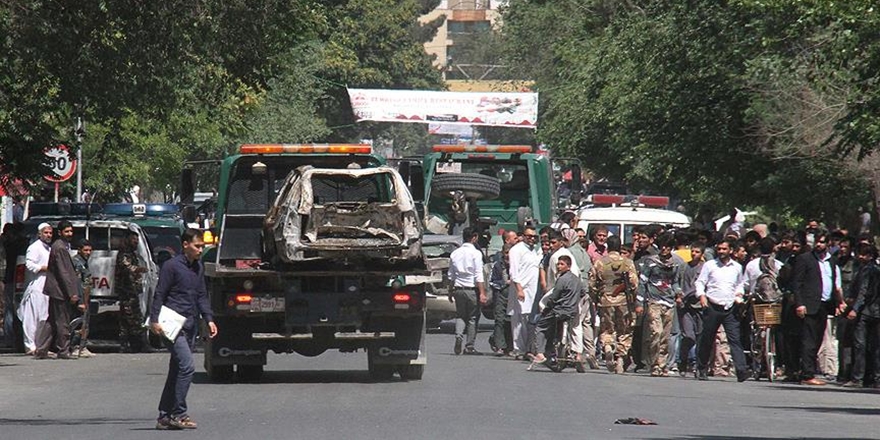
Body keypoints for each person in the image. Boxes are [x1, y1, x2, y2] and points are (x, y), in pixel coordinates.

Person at [150, 229, 217, 430]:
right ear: (186, 244)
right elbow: (159, 294)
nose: (200, 250)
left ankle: (164, 415)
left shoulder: (198, 267)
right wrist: (154, 320)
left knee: (176, 370)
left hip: (190, 324)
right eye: (197, 246)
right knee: (187, 366)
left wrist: (209, 319)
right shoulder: (171, 266)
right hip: (171, 324)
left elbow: (201, 295)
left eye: (202, 247)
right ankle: (179, 413)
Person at [792, 231, 846, 386]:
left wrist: (838, 303)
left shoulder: (832, 262)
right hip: (809, 304)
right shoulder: (805, 259)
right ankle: (807, 374)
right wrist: (800, 304)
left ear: (828, 244)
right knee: (808, 339)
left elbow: (836, 284)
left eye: (822, 242)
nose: (819, 245)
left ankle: (808, 370)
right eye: (817, 242)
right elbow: (797, 283)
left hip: (824, 305)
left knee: (817, 339)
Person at [694, 239, 750, 382]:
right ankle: (701, 368)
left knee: (734, 339)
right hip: (712, 305)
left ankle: (741, 370)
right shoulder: (710, 265)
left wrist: (739, 294)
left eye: (724, 249)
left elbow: (739, 284)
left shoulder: (737, 267)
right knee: (707, 338)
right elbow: (700, 282)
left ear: (731, 250)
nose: (721, 252)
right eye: (719, 249)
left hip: (729, 307)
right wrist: (701, 296)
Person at [636, 233, 685, 377]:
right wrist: (639, 302)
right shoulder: (650, 262)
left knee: (665, 336)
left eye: (668, 247)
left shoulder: (675, 264)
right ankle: (653, 362)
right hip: (653, 302)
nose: (664, 249)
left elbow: (675, 282)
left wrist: (678, 293)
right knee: (655, 332)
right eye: (662, 246)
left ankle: (661, 364)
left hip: (669, 303)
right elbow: (643, 282)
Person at [589, 235, 639, 374]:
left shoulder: (600, 262)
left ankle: (608, 347)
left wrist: (596, 298)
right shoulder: (628, 262)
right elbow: (634, 283)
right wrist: (632, 298)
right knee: (625, 331)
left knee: (607, 329)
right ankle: (621, 359)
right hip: (624, 301)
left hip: (606, 300)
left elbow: (592, 283)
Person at [34, 220, 79, 360]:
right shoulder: (59, 247)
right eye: (66, 231)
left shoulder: (61, 246)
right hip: (60, 291)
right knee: (62, 321)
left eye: (71, 231)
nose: (69, 234)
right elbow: (63, 272)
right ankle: (63, 350)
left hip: (57, 290)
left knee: (52, 321)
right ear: (60, 233)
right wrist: (72, 292)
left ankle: (41, 350)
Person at [532, 256, 583, 366]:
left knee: (540, 325)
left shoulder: (562, 279)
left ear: (568, 266)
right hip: (572, 311)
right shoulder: (577, 279)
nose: (559, 267)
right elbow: (582, 292)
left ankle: (540, 353)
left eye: (562, 264)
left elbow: (554, 297)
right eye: (558, 264)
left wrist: (546, 309)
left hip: (559, 310)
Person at [842, 242, 880, 387]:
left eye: (863, 254)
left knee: (860, 345)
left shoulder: (866, 270)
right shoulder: (875, 269)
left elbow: (863, 292)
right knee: (876, 347)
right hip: (875, 312)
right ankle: (876, 378)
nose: (860, 256)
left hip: (866, 312)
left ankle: (858, 377)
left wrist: (855, 309)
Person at [447, 228, 487, 355]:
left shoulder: (455, 253)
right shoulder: (476, 253)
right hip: (471, 289)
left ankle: (459, 335)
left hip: (458, 288)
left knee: (460, 315)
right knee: (472, 318)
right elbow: (478, 275)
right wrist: (482, 293)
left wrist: (450, 291)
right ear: (474, 237)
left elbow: (451, 275)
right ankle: (469, 345)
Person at [17, 223, 52, 355]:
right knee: (31, 318)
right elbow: (30, 265)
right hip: (36, 286)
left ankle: (40, 346)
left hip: (46, 286)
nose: (48, 235)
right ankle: (30, 346)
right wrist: (45, 268)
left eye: (50, 233)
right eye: (46, 233)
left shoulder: (48, 249)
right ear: (39, 234)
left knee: (43, 317)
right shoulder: (34, 247)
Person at [508, 226, 541, 359]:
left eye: (534, 236)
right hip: (521, 290)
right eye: (529, 236)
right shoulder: (516, 250)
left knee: (529, 320)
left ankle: (528, 349)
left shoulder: (535, 251)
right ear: (523, 236)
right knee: (518, 320)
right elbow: (514, 271)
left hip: (533, 291)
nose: (532, 239)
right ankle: (518, 349)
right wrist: (519, 289)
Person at [117, 229, 149, 352]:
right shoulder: (124, 254)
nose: (136, 242)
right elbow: (127, 267)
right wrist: (138, 269)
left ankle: (127, 345)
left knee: (127, 320)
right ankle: (137, 345)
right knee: (133, 320)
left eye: (137, 240)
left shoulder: (132, 253)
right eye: (133, 239)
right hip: (127, 292)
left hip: (132, 292)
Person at [677, 241, 706, 375]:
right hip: (686, 306)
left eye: (697, 252)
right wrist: (678, 295)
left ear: (702, 254)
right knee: (689, 336)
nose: (694, 254)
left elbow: (699, 287)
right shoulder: (683, 266)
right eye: (692, 251)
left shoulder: (704, 268)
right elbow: (677, 281)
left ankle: (698, 365)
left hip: (699, 305)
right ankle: (683, 361)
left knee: (700, 336)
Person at [71, 239, 94, 358]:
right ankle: (75, 347)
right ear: (79, 250)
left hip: (86, 297)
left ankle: (82, 346)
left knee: (85, 323)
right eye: (85, 250)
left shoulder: (84, 262)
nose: (88, 252)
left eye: (90, 250)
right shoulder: (76, 263)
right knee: (78, 324)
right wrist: (80, 301)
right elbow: (76, 282)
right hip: (80, 298)